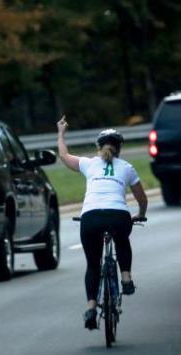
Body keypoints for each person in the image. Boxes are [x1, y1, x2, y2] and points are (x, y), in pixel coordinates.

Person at [56, 115, 148, 330]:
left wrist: (61, 133)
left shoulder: (88, 164)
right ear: (120, 148)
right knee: (122, 239)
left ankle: (90, 307)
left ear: (98, 147)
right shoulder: (127, 167)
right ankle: (126, 278)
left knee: (92, 264)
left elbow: (63, 155)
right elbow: (141, 198)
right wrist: (140, 213)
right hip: (118, 216)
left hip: (91, 217)